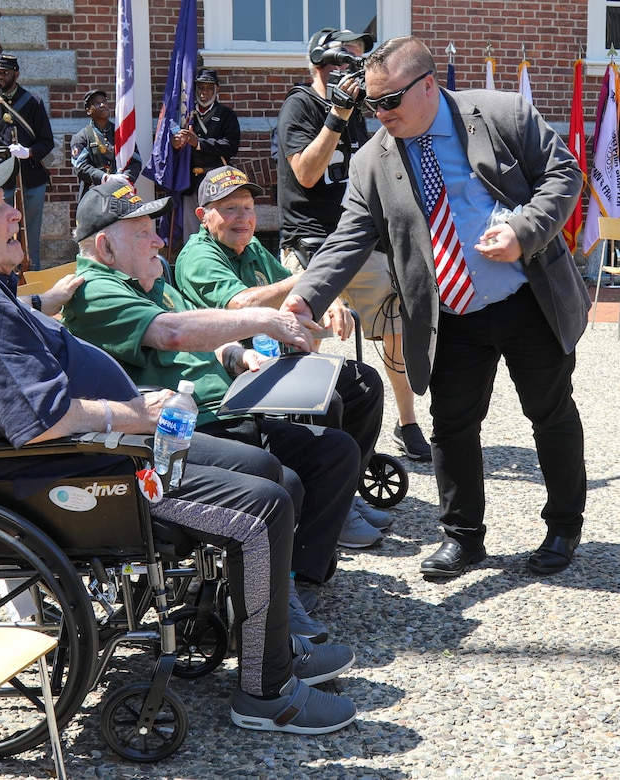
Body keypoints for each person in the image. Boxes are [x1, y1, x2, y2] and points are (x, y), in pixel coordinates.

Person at [0, 155, 358, 736]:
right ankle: (265, 692)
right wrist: (134, 413)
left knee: (270, 472)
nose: (16, 211)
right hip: (77, 476)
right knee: (263, 507)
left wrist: (48, 309)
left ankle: (268, 635)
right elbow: (38, 418)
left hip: (94, 454)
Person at [282, 36, 589, 579]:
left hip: (526, 300)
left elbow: (563, 175)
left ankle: (564, 526)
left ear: (428, 85)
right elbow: (350, 236)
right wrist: (305, 296)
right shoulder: (373, 160)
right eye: (372, 104)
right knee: (451, 427)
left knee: (550, 413)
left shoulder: (502, 114)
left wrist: (523, 231)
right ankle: (463, 537)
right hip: (449, 313)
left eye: (389, 102)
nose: (379, 114)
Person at [62, 179, 363, 637]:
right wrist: (267, 320)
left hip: (223, 407)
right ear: (105, 245)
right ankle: (267, 602)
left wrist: (240, 355)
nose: (160, 240)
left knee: (336, 449)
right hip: (174, 430)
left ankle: (299, 581)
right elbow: (175, 335)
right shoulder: (96, 289)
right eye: (145, 232)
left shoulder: (151, 276)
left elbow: (205, 341)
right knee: (282, 476)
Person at [175, 164, 393, 547]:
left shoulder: (252, 247)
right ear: (203, 216)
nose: (243, 218)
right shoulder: (199, 257)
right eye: (229, 209)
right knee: (326, 397)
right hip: (236, 370)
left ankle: (344, 494)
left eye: (247, 207)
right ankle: (326, 510)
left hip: (276, 359)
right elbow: (240, 304)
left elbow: (296, 294)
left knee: (364, 383)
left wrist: (329, 301)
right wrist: (306, 281)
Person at [276, 27, 431, 462]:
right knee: (304, 325)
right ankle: (299, 428)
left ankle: (408, 422)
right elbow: (306, 173)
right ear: (318, 66)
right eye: (338, 66)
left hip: (358, 240)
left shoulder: (363, 110)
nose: (347, 76)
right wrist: (335, 117)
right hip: (309, 240)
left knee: (395, 324)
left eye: (353, 66)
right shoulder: (301, 105)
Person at [0, 53, 54, 270]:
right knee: (0, 230)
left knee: (30, 232)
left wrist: (29, 152)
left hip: (30, 175)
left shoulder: (33, 102)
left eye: (5, 72)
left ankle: (32, 272)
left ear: (16, 74)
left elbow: (47, 141)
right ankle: (3, 272)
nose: (0, 77)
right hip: (0, 177)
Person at [170, 68, 240, 238]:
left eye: (209, 88)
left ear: (217, 89)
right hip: (189, 182)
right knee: (191, 233)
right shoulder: (185, 115)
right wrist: (174, 144)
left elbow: (230, 146)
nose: (204, 93)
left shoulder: (226, 115)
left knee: (217, 229)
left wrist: (199, 143)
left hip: (216, 180)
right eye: (200, 88)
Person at [71, 89, 143, 201]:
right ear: (89, 110)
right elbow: (81, 167)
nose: (102, 105)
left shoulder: (121, 134)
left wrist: (125, 178)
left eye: (104, 101)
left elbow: (135, 160)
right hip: (94, 193)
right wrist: (105, 178)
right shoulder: (81, 137)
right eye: (97, 103)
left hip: (121, 191)